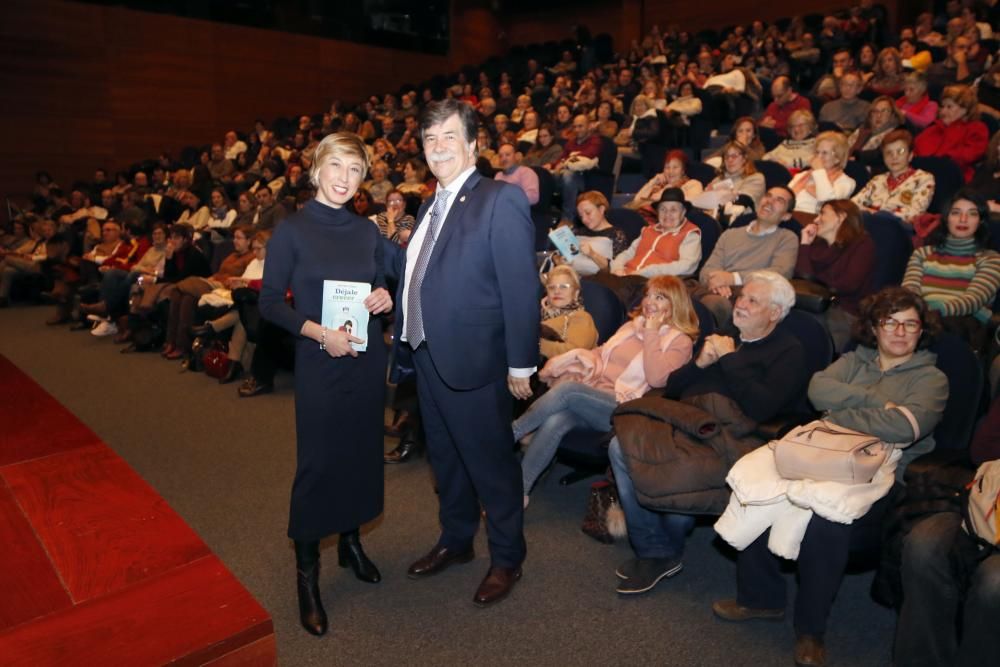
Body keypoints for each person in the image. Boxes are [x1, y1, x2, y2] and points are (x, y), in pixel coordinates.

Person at [713, 287, 948, 667]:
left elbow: (905, 428)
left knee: (828, 520)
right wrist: (877, 403)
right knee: (764, 491)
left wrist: (844, 408)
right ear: (875, 327)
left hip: (881, 473)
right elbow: (818, 389)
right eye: (891, 323)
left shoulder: (931, 378)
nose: (900, 332)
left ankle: (810, 630)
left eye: (911, 324)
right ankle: (761, 599)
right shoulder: (857, 359)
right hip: (826, 452)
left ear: (922, 331)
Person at [389, 99, 539, 608]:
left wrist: (521, 363)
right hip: (426, 353)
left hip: (475, 359)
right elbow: (421, 275)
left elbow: (521, 288)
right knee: (446, 458)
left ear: (473, 144)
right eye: (430, 140)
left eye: (449, 137)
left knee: (490, 463)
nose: (438, 148)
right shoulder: (429, 204)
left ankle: (506, 557)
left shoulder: (500, 198)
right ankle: (456, 540)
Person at [259, 132, 394, 637]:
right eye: (336, 167)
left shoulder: (367, 231)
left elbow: (384, 286)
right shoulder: (290, 231)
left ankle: (353, 543)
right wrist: (317, 333)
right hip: (320, 358)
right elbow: (271, 302)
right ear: (316, 170)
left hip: (363, 358)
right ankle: (308, 571)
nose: (344, 178)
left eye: (355, 171)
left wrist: (384, 297)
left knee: (360, 453)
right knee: (318, 462)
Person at [609, 271, 809, 594]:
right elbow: (673, 387)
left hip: (731, 436)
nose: (740, 304)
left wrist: (729, 359)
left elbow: (760, 408)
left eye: (752, 301)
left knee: (678, 467)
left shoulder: (788, 351)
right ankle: (652, 545)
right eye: (741, 297)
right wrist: (699, 363)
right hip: (689, 419)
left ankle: (662, 550)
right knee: (621, 446)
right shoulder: (725, 332)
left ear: (774, 313)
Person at [516, 276, 697, 505]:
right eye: (648, 295)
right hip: (594, 397)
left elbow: (657, 378)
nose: (650, 301)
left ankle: (510, 434)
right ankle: (519, 491)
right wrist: (585, 359)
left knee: (569, 390)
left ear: (675, 304)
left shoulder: (680, 342)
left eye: (659, 297)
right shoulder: (631, 327)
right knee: (557, 420)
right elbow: (602, 352)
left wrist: (651, 333)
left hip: (625, 407)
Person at [902, 190, 1000, 352]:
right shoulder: (922, 253)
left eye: (972, 214)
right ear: (946, 219)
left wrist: (930, 311)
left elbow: (972, 301)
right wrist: (918, 314)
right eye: (956, 213)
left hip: (963, 323)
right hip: (920, 317)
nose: (963, 219)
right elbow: (909, 292)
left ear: (981, 221)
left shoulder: (991, 259)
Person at [697, 187, 800, 325]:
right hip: (713, 290)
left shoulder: (787, 238)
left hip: (747, 296)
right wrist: (716, 283)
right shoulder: (730, 234)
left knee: (712, 304)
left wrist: (733, 278)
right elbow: (707, 271)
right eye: (768, 195)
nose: (769, 201)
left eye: (779, 200)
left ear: (786, 216)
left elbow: (781, 273)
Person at [796, 199, 877, 350]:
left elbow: (848, 284)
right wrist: (805, 243)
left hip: (844, 311)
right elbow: (803, 277)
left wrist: (818, 282)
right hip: (814, 305)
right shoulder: (817, 245)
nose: (816, 219)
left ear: (841, 216)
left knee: (806, 335)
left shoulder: (862, 244)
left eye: (822, 214)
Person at [611, 188, 703, 279]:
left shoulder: (689, 234)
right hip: (626, 277)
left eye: (673, 210)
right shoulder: (648, 230)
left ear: (683, 212)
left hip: (655, 283)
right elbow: (628, 253)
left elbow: (687, 266)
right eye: (663, 209)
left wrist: (647, 272)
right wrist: (617, 267)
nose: (667, 214)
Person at [851, 129, 935, 225]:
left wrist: (873, 213)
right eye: (889, 153)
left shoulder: (924, 178)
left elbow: (914, 213)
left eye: (900, 151)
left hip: (898, 229)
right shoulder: (877, 179)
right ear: (883, 157)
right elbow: (853, 204)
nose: (894, 157)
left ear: (910, 155)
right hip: (869, 225)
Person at [913, 84, 989, 182]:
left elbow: (968, 155)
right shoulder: (934, 128)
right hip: (921, 175)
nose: (943, 111)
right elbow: (915, 148)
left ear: (965, 109)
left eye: (949, 107)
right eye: (943, 106)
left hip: (951, 178)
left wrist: (939, 160)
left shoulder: (977, 128)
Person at [787, 130, 856, 223]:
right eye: (817, 152)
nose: (818, 157)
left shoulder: (846, 182)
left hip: (814, 223)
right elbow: (786, 197)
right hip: (789, 217)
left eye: (824, 153)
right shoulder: (802, 176)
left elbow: (828, 202)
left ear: (837, 158)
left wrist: (819, 171)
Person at [537, 264, 598, 361]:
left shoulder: (582, 317)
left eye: (563, 287)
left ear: (576, 293)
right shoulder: (537, 315)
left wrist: (536, 344)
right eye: (551, 287)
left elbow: (575, 352)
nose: (557, 291)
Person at [560, 191, 629, 276]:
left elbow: (617, 269)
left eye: (588, 213)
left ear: (601, 209)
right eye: (581, 216)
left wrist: (592, 254)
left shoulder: (616, 235)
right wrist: (558, 260)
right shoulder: (577, 232)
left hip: (599, 282)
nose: (584, 219)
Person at [625, 150, 704, 222]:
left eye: (675, 167)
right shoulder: (658, 186)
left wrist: (665, 196)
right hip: (643, 219)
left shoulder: (692, 184)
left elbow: (696, 201)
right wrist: (652, 182)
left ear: (683, 170)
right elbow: (635, 202)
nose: (670, 171)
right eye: (667, 167)